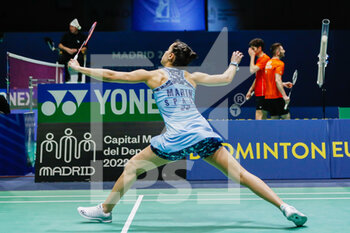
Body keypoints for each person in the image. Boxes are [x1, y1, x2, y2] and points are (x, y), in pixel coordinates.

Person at [68, 40, 307, 227]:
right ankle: (285, 206)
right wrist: (234, 63)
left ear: (171, 56)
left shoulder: (155, 75)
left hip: (175, 139)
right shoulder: (191, 77)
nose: (164, 53)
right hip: (203, 134)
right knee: (242, 175)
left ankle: (105, 211)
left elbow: (111, 75)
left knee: (132, 167)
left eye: (167, 50)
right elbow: (225, 79)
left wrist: (79, 68)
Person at [263, 43, 293, 119]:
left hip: (268, 97)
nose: (284, 51)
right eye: (282, 49)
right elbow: (277, 80)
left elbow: (270, 80)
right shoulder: (279, 64)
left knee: (274, 119)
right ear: (278, 52)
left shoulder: (268, 63)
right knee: (286, 118)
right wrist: (284, 96)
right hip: (277, 96)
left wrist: (283, 84)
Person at [246, 38, 270, 120]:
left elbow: (252, 70)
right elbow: (258, 77)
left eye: (253, 49)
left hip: (264, 92)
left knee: (259, 115)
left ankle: (259, 133)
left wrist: (252, 56)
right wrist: (250, 90)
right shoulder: (260, 60)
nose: (252, 51)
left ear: (259, 48)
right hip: (259, 91)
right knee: (262, 116)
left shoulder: (265, 59)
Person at [58, 18, 87, 83]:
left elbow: (85, 48)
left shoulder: (82, 36)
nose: (70, 28)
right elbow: (60, 45)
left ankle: (79, 79)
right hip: (67, 53)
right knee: (61, 59)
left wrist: (77, 50)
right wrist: (67, 50)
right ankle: (67, 77)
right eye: (70, 26)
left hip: (77, 53)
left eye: (72, 27)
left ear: (76, 28)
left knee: (81, 59)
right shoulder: (66, 35)